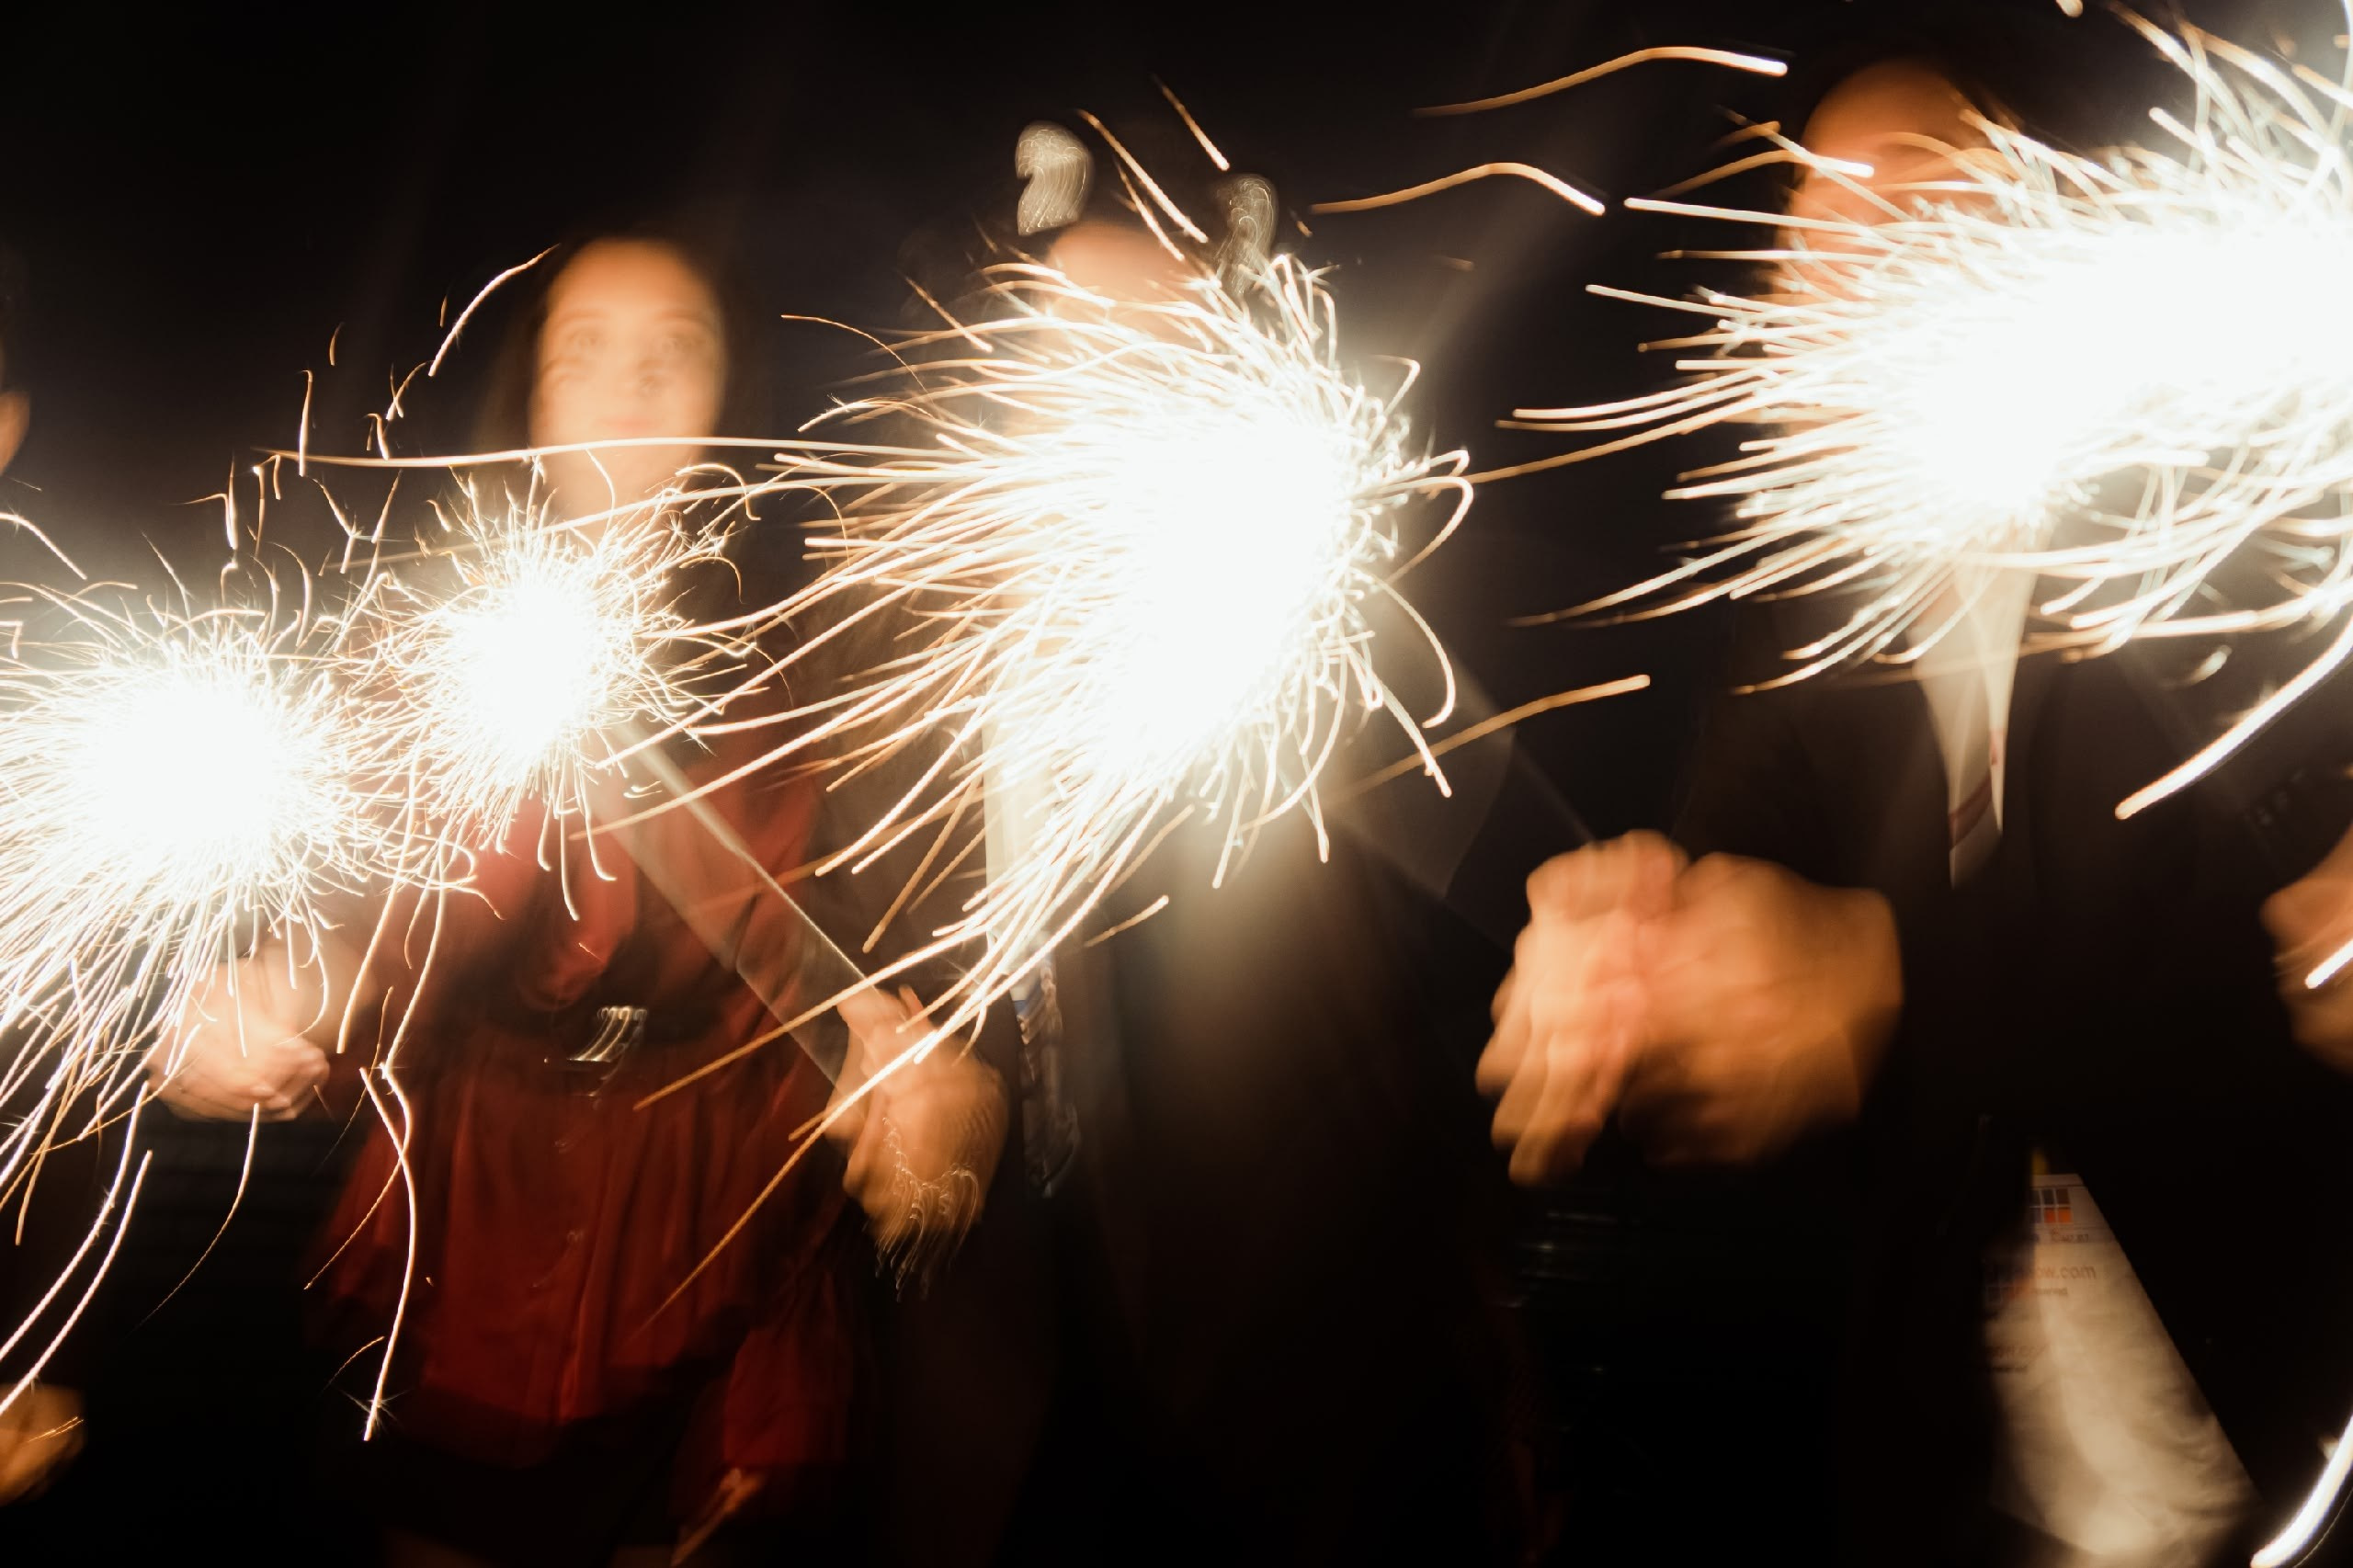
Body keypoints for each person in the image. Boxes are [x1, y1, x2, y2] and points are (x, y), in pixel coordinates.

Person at [1481, 56, 2353, 1566]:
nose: (1859, 283)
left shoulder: (2259, 549)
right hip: (1964, 1472)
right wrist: (1634, 957)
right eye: (1823, 244)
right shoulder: (1808, 611)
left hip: (2283, 1413)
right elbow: (1752, 900)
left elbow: (2285, 958)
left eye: (1922, 218)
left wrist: (1889, 980)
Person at [149, 229, 1005, 1568]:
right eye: (584, 356)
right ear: (531, 400)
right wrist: (258, 1003)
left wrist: (947, 1085)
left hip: (724, 1236)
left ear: (733, 401)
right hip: (474, 1236)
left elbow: (905, 955)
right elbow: (369, 921)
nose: (627, 393)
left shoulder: (820, 656)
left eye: (675, 357)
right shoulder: (431, 649)